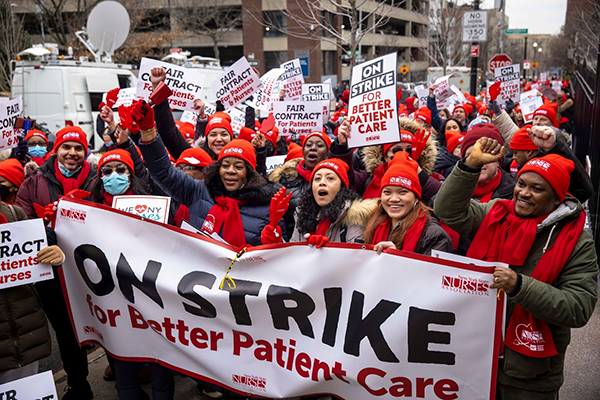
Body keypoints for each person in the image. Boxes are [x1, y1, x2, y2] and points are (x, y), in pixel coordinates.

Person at [433, 139, 598, 399]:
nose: (524, 193)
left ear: (557, 198)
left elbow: (579, 307)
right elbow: (447, 210)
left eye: (537, 189)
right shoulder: (496, 214)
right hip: (475, 359)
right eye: (521, 184)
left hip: (527, 375)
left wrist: (520, 286)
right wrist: (470, 165)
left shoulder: (576, 242)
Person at [132, 101, 287, 246]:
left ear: (250, 173)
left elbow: (281, 258)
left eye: (238, 167)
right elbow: (164, 172)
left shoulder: (267, 208)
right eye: (225, 165)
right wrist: (147, 130)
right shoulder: (199, 191)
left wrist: (274, 243)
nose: (230, 171)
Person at [16, 126, 96, 399]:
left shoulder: (97, 180)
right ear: (57, 149)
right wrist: (48, 231)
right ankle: (78, 385)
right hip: (52, 276)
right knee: (66, 332)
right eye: (66, 147)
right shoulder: (33, 182)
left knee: (104, 325)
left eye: (78, 148)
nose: (72, 153)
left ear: (85, 152)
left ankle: (123, 378)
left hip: (92, 273)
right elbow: (23, 223)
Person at [364, 152, 452, 256]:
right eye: (387, 192)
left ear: (416, 198)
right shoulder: (373, 226)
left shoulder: (435, 236)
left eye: (402, 192)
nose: (394, 199)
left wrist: (396, 257)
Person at [283, 158, 377, 245]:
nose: (322, 182)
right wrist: (276, 236)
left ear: (341, 187)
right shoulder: (301, 214)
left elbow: (356, 255)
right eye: (317, 178)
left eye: (330, 178)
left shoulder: (353, 217)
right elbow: (293, 253)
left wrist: (327, 249)